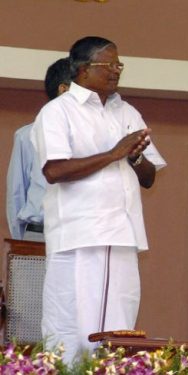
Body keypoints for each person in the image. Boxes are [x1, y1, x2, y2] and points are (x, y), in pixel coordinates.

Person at [32, 36, 166, 364]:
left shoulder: (128, 111)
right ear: (82, 69)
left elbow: (148, 178)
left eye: (119, 64)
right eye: (108, 64)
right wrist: (113, 153)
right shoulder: (57, 112)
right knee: (68, 325)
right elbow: (54, 170)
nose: (116, 71)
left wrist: (133, 158)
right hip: (78, 234)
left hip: (121, 234)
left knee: (118, 325)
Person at [6, 57, 72, 242]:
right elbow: (16, 193)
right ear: (63, 90)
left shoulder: (95, 135)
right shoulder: (27, 135)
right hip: (38, 233)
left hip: (82, 236)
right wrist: (21, 244)